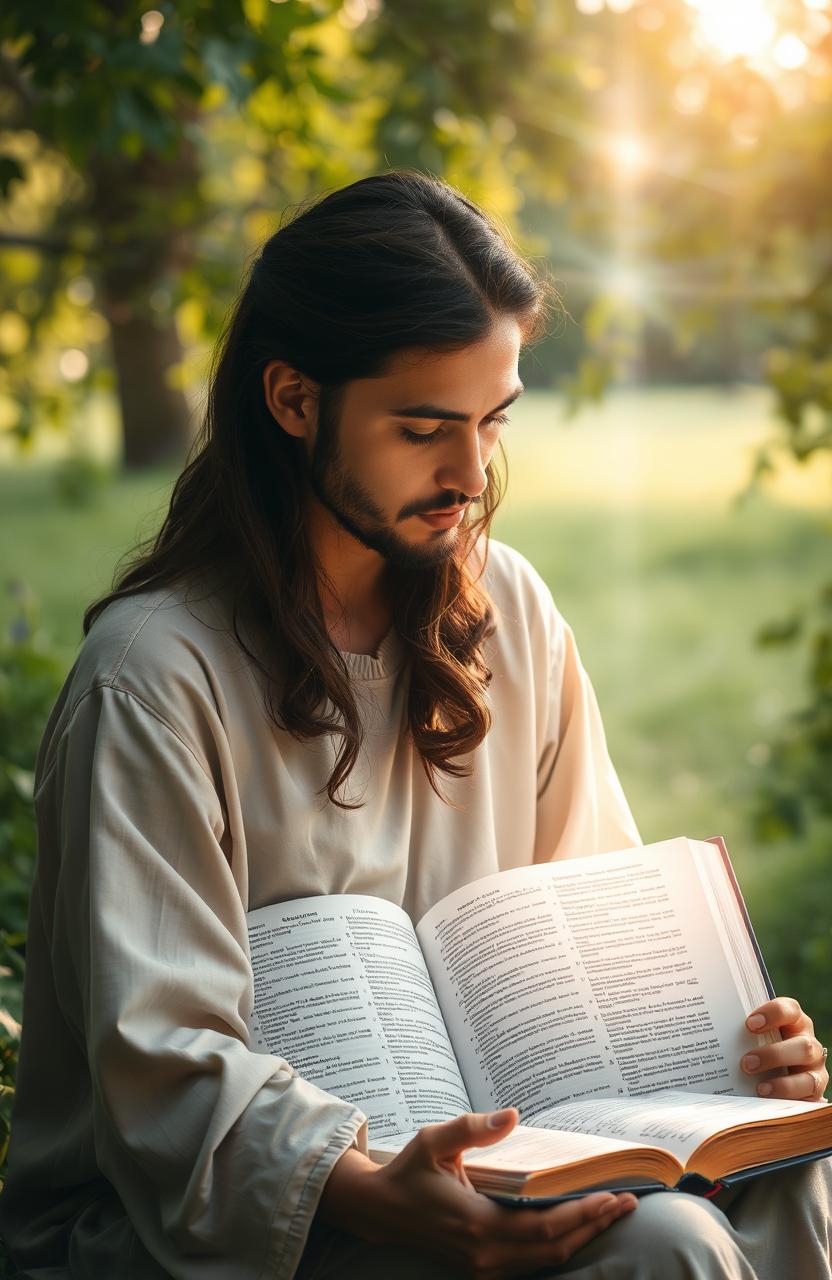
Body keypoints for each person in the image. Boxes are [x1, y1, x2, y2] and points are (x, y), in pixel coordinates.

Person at [0, 171, 829, 1280]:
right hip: (203, 1219)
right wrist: (378, 1197)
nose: (470, 472)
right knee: (664, 1250)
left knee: (784, 1169)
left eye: (493, 420)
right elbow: (165, 1066)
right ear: (293, 400)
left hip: (507, 1155)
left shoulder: (509, 611)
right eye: (425, 427)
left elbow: (588, 932)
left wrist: (726, 1057)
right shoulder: (151, 680)